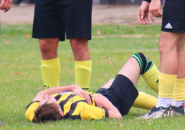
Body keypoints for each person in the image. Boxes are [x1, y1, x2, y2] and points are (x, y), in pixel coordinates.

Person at [27, 52, 162, 122]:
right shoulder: (81, 110)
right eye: (50, 100)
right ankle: (170, 101)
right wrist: (105, 103)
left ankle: (164, 104)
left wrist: (72, 87)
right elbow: (116, 116)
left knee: (114, 81)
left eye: (44, 100)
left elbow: (41, 93)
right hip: (113, 101)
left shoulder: (34, 113)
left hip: (100, 94)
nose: (47, 96)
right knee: (140, 60)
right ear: (61, 113)